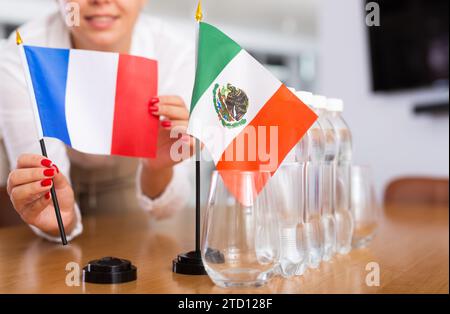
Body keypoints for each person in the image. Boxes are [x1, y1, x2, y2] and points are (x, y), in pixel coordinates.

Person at [0, 0, 196, 242]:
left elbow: (165, 208)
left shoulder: (174, 52)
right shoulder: (23, 54)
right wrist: (59, 221)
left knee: (136, 253)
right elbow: (52, 209)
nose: (101, 1)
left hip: (126, 177)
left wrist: (157, 168)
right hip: (37, 184)